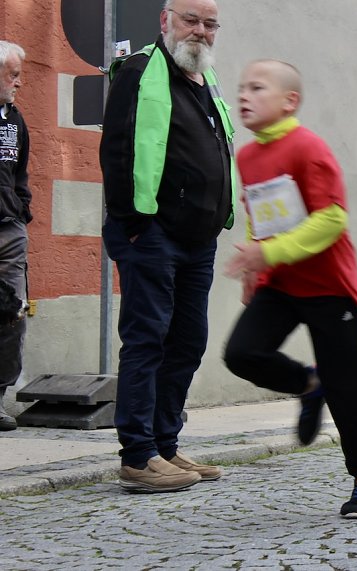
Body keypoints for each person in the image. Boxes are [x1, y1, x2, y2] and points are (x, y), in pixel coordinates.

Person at [222, 59, 357, 518]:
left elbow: (332, 220)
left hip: (329, 286)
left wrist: (267, 255)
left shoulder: (309, 148)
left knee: (348, 390)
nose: (244, 95)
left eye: (257, 88)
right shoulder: (248, 155)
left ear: (288, 101)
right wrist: (257, 267)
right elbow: (263, 213)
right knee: (241, 353)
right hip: (280, 282)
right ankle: (306, 383)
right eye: (242, 87)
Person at [100, 0, 236, 492]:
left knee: (187, 342)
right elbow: (116, 148)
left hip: (197, 241)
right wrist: (134, 223)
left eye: (209, 23)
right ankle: (137, 455)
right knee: (148, 340)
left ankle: (165, 445)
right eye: (189, 20)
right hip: (152, 235)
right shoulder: (139, 72)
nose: (199, 31)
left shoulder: (205, 83)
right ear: (165, 22)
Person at [0, 40, 28, 432]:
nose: (19, 82)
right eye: (13, 74)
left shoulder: (14, 119)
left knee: (10, 316)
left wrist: (22, 211)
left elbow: (21, 171)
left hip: (9, 229)